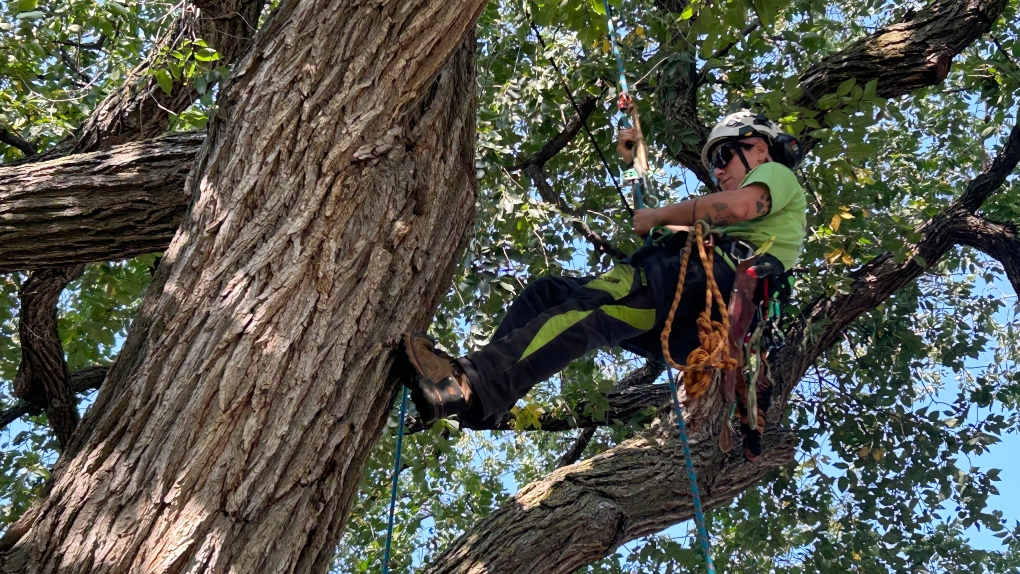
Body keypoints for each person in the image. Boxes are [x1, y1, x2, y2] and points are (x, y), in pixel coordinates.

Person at [403, 109, 807, 432]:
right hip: (689, 303)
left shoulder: (775, 175)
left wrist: (656, 216)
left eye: (722, 156)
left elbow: (731, 207)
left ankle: (468, 384)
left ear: (759, 149)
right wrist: (634, 162)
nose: (717, 171)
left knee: (587, 314)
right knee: (548, 296)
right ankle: (485, 403)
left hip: (698, 284)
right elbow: (659, 221)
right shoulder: (742, 223)